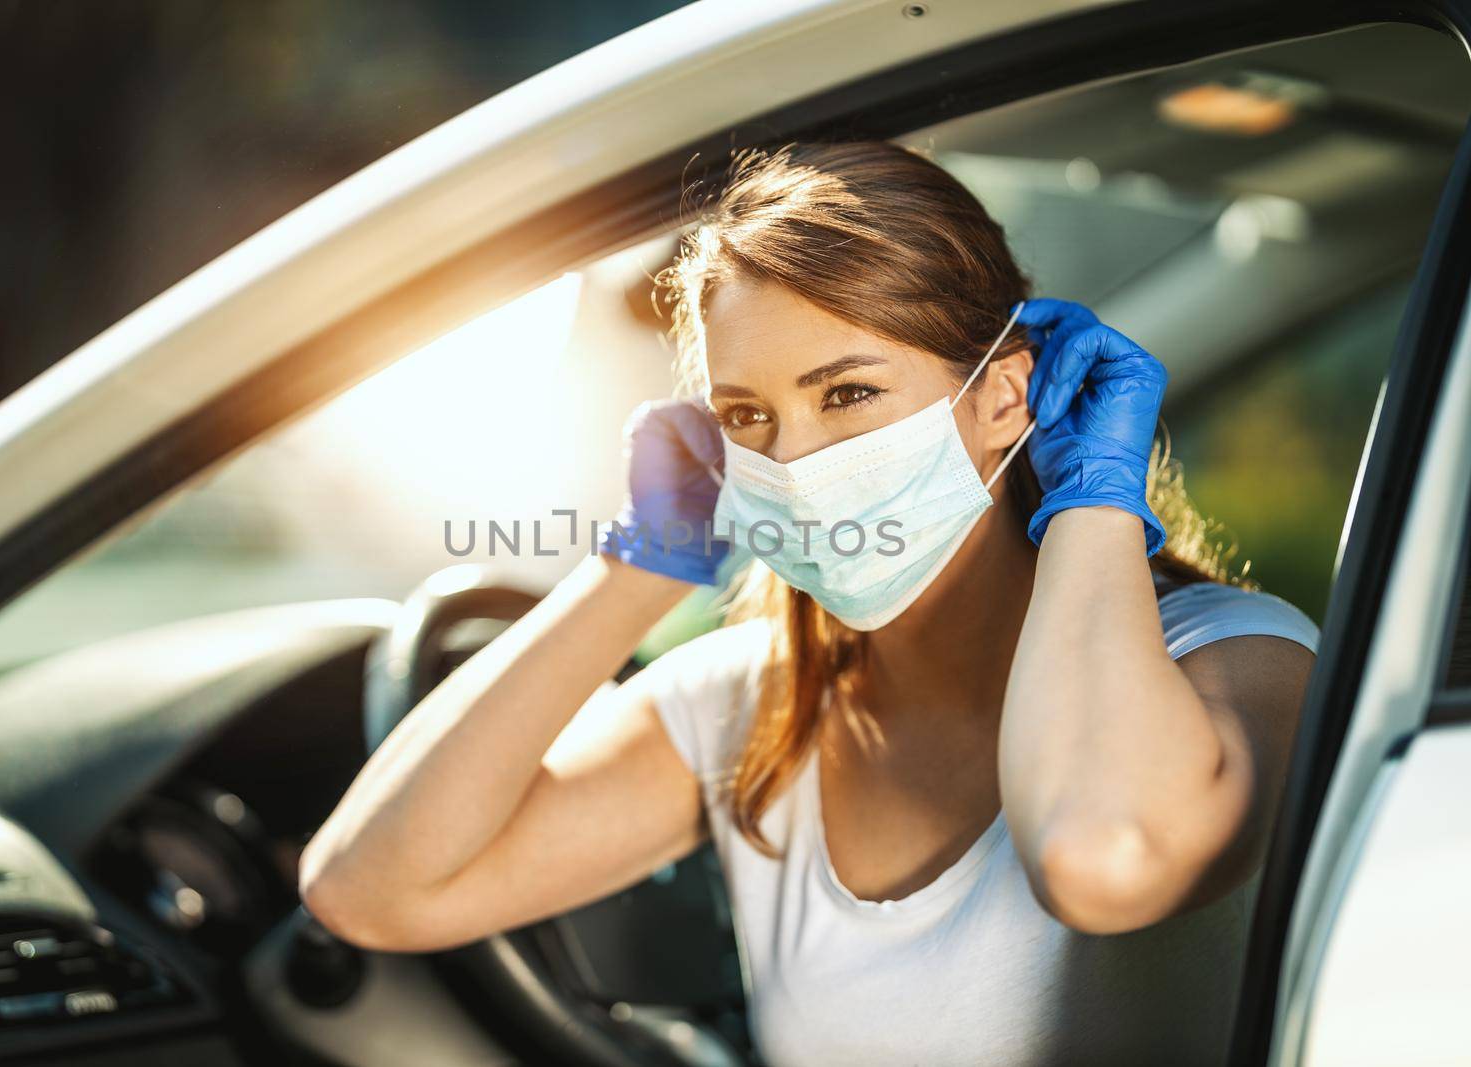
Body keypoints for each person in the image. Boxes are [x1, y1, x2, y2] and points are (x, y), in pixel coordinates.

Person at [299, 141, 1320, 1066]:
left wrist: (1094, 497)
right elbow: (369, 887)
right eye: (749, 415)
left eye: (846, 393)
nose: (792, 460)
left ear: (1003, 398)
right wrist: (643, 562)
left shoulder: (1244, 659)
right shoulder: (755, 705)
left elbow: (1105, 857)